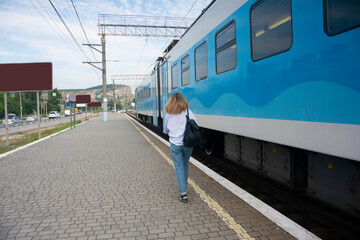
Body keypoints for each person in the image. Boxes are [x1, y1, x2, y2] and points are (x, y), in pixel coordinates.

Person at [163, 93, 198, 203]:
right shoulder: (188, 111)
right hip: (187, 143)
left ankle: (183, 194)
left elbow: (165, 129)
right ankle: (184, 185)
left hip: (175, 144)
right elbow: (196, 124)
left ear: (171, 101)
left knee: (179, 167)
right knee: (185, 164)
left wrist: (169, 132)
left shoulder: (168, 113)